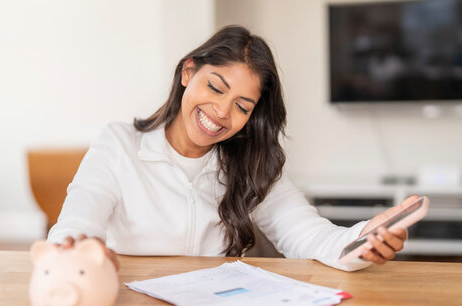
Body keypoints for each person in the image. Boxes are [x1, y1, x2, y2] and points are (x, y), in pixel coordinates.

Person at [47, 25, 413, 272]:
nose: (221, 113)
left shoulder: (252, 163)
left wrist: (363, 239)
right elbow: (78, 223)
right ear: (188, 72)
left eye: (242, 106)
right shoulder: (119, 144)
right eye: (216, 88)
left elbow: (309, 236)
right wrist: (76, 254)